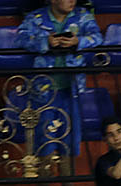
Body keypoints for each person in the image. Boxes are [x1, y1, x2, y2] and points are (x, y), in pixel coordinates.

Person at [18, 0, 102, 161]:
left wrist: (79, 42)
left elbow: (97, 37)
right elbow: (21, 39)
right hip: (42, 92)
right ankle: (45, 176)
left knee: (69, 144)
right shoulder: (35, 18)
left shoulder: (83, 16)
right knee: (44, 144)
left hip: (71, 91)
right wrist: (45, 42)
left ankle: (68, 177)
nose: (72, 1)